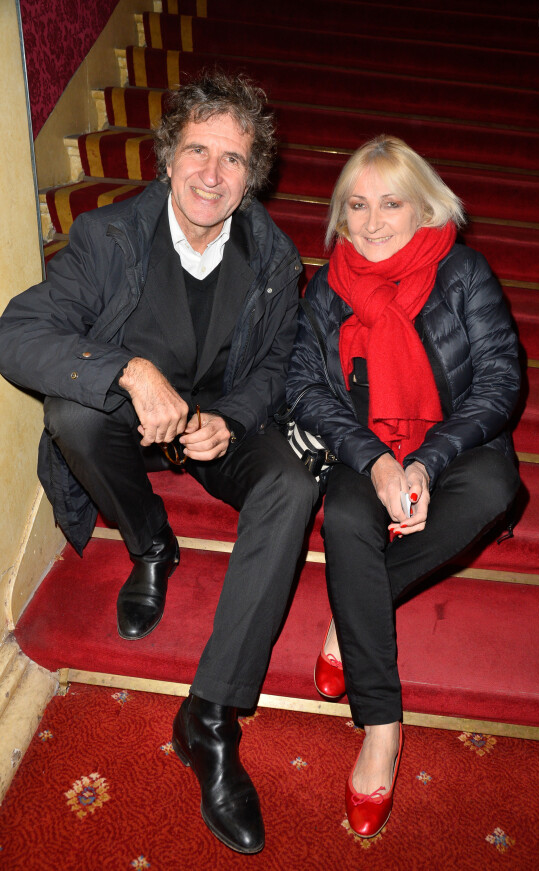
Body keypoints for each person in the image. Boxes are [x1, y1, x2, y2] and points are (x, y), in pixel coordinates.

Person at [0, 70, 319, 854]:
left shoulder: (276, 257)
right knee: (73, 407)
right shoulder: (108, 236)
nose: (213, 174)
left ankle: (208, 715)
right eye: (199, 151)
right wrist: (128, 373)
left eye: (235, 160)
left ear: (254, 176)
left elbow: (278, 362)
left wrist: (232, 419)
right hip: (132, 421)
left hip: (216, 425)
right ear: (168, 155)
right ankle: (152, 542)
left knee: (290, 482)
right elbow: (17, 331)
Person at [286, 135, 520, 838]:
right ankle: (382, 726)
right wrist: (380, 462)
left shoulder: (463, 272)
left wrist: (425, 462)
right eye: (356, 204)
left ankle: (354, 606)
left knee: (494, 489)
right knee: (348, 521)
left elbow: (501, 382)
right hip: (365, 448)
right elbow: (304, 384)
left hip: (449, 441)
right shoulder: (329, 285)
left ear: (423, 207)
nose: (372, 219)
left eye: (390, 202)